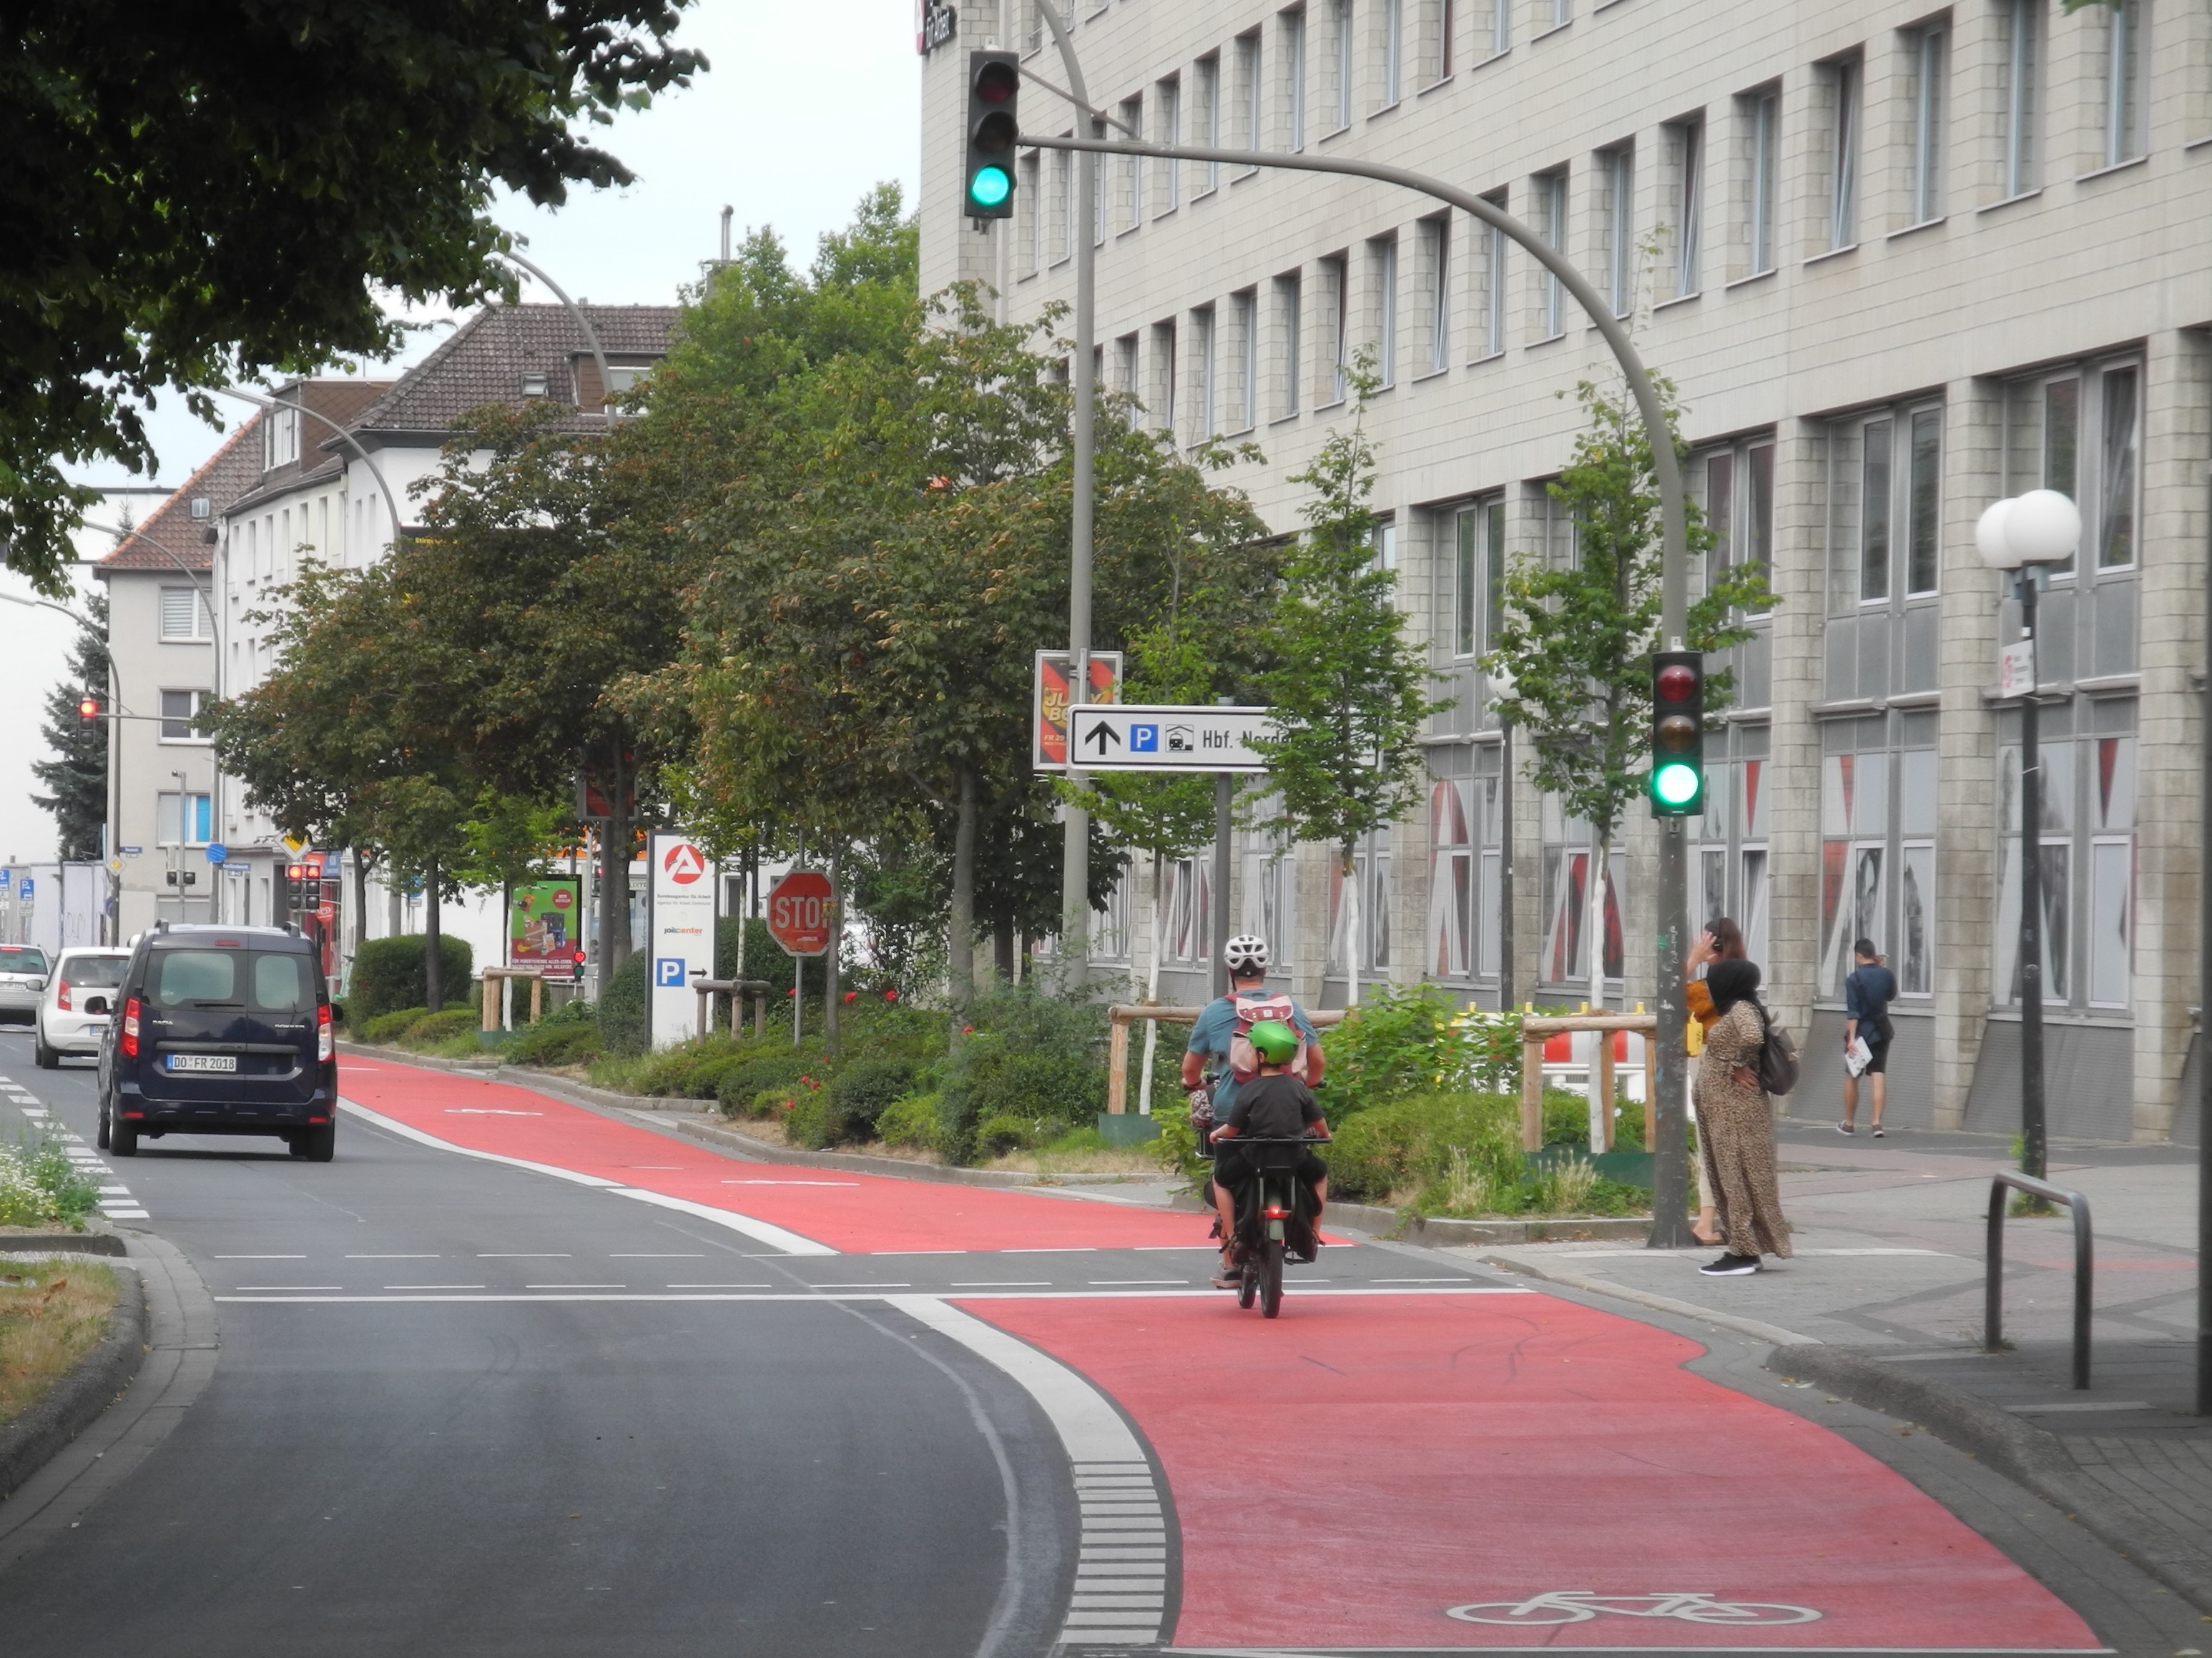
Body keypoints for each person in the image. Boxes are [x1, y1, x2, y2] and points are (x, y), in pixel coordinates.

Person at [1182, 935, 1324, 1259]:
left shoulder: (1216, 1011)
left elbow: (1191, 1070)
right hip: (1288, 1110)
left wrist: (1194, 1083)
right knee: (1307, 1165)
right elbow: (1318, 1063)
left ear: (1229, 970)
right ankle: (1311, 1234)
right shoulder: (1289, 1008)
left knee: (1224, 1178)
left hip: (1233, 1110)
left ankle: (1231, 1253)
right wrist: (1308, 1086)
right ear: (1265, 968)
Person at [1207, 1019, 1331, 1288]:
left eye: (1251, 1050)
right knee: (1320, 1175)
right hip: (1294, 1160)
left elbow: (1233, 1128)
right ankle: (1313, 1234)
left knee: (1221, 1180)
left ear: (1262, 1056)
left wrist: (1217, 1134)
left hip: (1256, 1159)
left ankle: (1232, 1235)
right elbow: (1320, 1126)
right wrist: (1325, 1135)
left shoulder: (1249, 1089)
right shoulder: (1298, 1088)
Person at [1694, 957, 1794, 1275]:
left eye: (1712, 982)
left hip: (1735, 1111)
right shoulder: (1741, 1008)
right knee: (1732, 1177)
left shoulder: (1740, 1010)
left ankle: (1743, 1252)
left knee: (1735, 1178)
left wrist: (1736, 1064)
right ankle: (1746, 1246)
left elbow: (1752, 1037)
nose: (1709, 988)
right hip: (1726, 1110)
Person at [1683, 918, 1748, 1245]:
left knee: (1712, 1142)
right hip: (1738, 1068)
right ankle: (1718, 1221)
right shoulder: (1744, 977)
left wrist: (1693, 960)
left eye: (1706, 942)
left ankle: (1706, 1223)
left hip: (1711, 1062)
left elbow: (1670, 998)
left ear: (1715, 946)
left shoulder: (1711, 987)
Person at [1841, 938, 1897, 1138]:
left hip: (1862, 1035)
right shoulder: (1887, 974)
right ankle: (1876, 1124)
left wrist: (1851, 1039)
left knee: (1852, 1076)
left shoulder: (1853, 979)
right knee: (1878, 1073)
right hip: (1882, 1031)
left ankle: (1849, 1123)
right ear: (1874, 954)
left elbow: (1853, 1012)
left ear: (1858, 955)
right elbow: (1891, 996)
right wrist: (1882, 969)